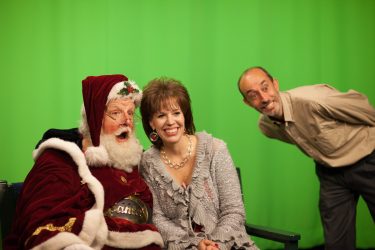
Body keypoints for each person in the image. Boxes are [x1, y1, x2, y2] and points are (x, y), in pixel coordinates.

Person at [4, 74, 164, 250]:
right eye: (116, 113)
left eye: (131, 113)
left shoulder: (132, 163)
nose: (127, 121)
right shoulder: (58, 160)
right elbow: (43, 231)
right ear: (94, 119)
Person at [237, 66, 375, 250]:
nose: (264, 98)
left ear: (275, 84)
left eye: (265, 87)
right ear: (247, 102)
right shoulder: (266, 127)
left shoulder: (313, 100)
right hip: (330, 173)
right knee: (336, 243)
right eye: (253, 95)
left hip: (367, 161)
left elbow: (365, 109)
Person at [139, 77, 258, 250]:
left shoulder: (215, 149)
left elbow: (233, 211)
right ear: (151, 123)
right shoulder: (148, 162)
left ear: (185, 116)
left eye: (176, 113)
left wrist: (215, 245)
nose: (170, 121)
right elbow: (157, 218)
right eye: (161, 115)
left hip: (228, 244)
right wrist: (195, 244)